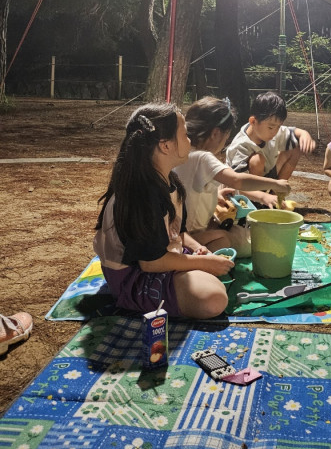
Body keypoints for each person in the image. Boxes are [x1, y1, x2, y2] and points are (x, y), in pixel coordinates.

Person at [94, 102, 234, 319]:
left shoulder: (170, 180)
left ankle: (194, 276)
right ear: (165, 145)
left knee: (221, 244)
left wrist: (198, 249)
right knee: (213, 298)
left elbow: (178, 233)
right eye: (185, 135)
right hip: (136, 276)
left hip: (164, 255)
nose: (190, 140)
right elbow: (151, 263)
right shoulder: (142, 194)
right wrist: (204, 262)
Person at [174, 96, 292, 257]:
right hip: (192, 234)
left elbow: (191, 191)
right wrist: (276, 184)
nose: (225, 141)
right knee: (248, 241)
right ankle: (198, 259)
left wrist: (217, 194)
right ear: (216, 134)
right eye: (226, 136)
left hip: (181, 232)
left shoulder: (183, 155)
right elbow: (237, 180)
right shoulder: (203, 158)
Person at [226, 91, 315, 207]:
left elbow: (293, 132)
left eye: (278, 126)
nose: (275, 132)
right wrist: (263, 196)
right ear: (253, 121)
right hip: (245, 187)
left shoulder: (271, 131)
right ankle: (255, 203)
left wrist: (304, 134)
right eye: (271, 127)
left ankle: (276, 197)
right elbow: (236, 184)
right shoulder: (241, 146)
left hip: (267, 174)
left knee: (295, 147)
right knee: (257, 160)